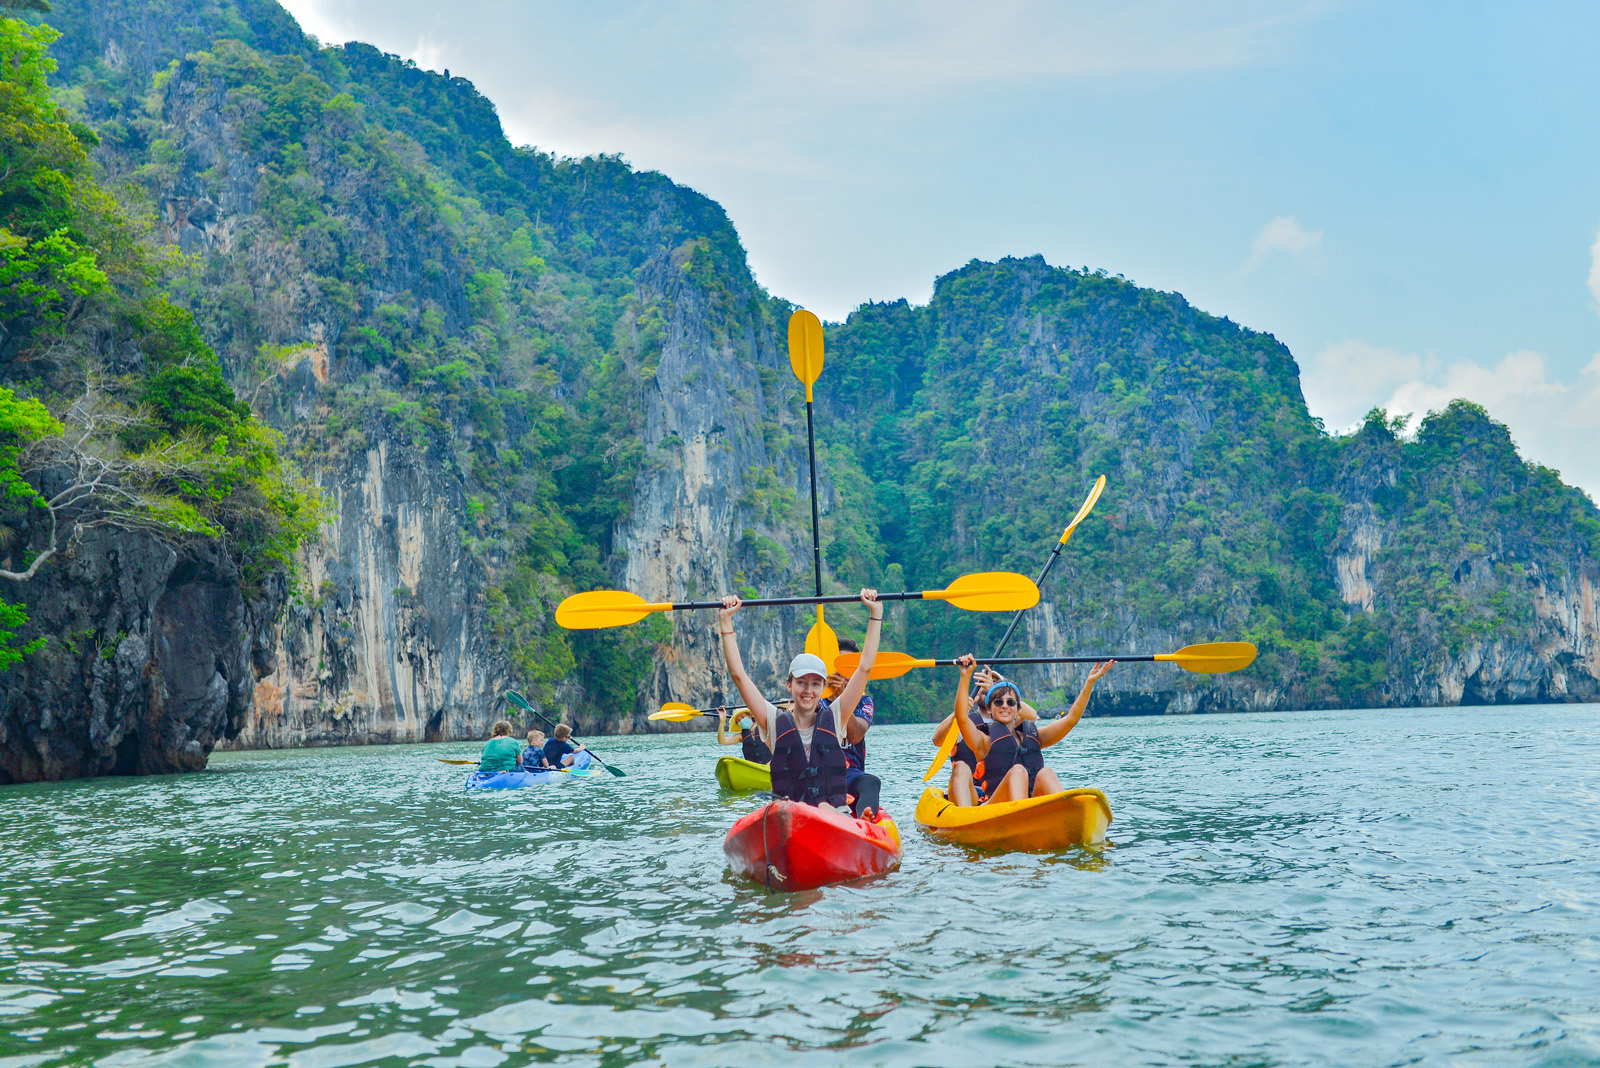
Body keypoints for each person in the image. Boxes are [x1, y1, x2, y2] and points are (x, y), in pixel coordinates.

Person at [718, 588, 884, 818]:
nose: (808, 690)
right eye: (801, 682)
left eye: (816, 684)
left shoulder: (835, 717)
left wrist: (876, 613)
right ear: (790, 685)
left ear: (822, 687)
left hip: (830, 813)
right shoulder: (774, 721)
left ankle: (858, 820)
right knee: (791, 808)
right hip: (792, 813)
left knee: (825, 807)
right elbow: (738, 675)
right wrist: (725, 620)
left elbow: (864, 667)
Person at [945, 656, 1115, 806]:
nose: (1005, 706)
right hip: (994, 807)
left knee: (1046, 773)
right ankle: (1021, 815)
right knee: (1018, 771)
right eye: (998, 702)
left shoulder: (1035, 737)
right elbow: (961, 719)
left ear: (1018, 709)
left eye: (1011, 703)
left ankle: (1063, 814)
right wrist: (965, 676)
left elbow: (1070, 720)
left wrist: (1089, 684)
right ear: (989, 709)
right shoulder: (983, 741)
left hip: (1030, 805)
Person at [827, 637, 876, 808]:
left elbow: (855, 735)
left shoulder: (863, 701)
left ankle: (866, 822)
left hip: (850, 773)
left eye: (847, 670)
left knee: (870, 782)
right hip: (818, 771)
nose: (842, 675)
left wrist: (842, 701)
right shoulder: (814, 699)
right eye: (837, 669)